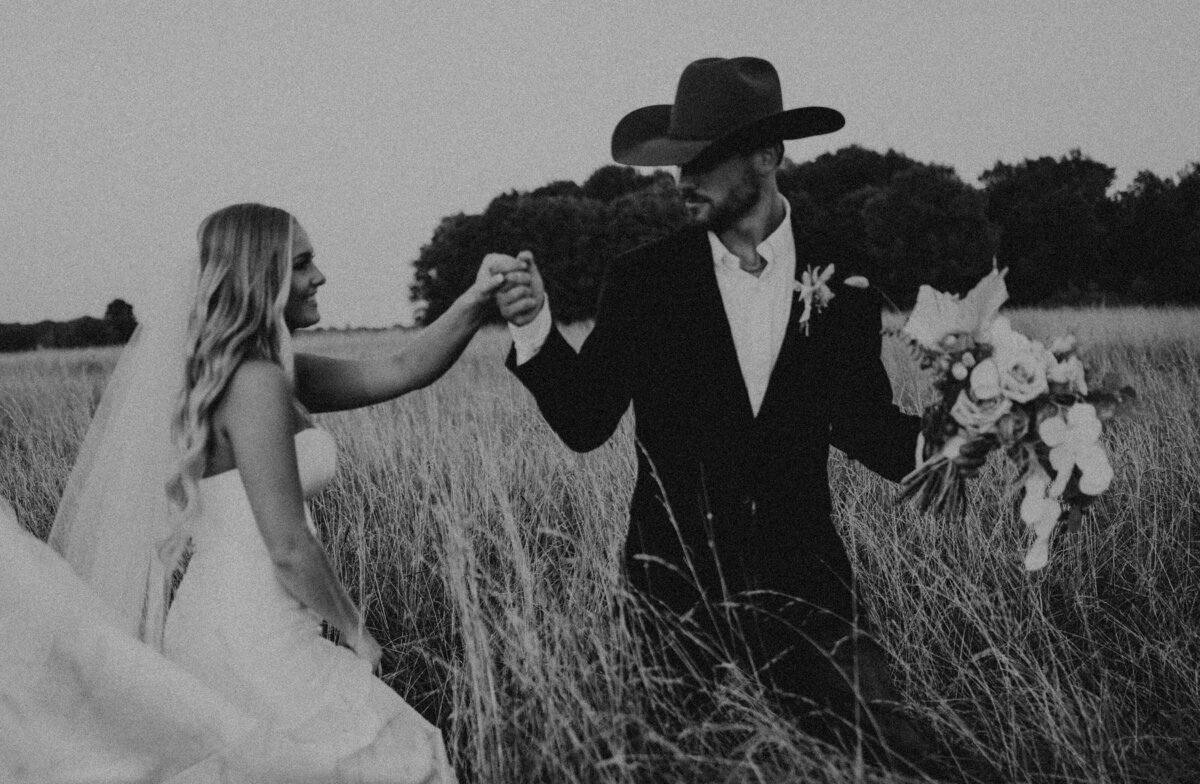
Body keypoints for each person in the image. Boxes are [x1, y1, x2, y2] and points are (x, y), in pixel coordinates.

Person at [494, 57, 946, 765]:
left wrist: (963, 441)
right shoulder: (645, 279)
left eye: (701, 161)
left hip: (807, 582)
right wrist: (534, 329)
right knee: (675, 768)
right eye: (676, 163)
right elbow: (586, 422)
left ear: (766, 156)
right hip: (674, 588)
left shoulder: (845, 275)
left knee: (890, 755)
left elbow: (863, 425)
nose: (682, 181)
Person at [2, 202, 519, 782]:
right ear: (260, 276)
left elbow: (399, 368)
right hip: (251, 635)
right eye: (301, 264)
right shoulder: (256, 383)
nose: (318, 276)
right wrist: (357, 632)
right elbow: (288, 546)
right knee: (395, 760)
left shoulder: (265, 371)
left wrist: (476, 301)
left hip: (234, 623)